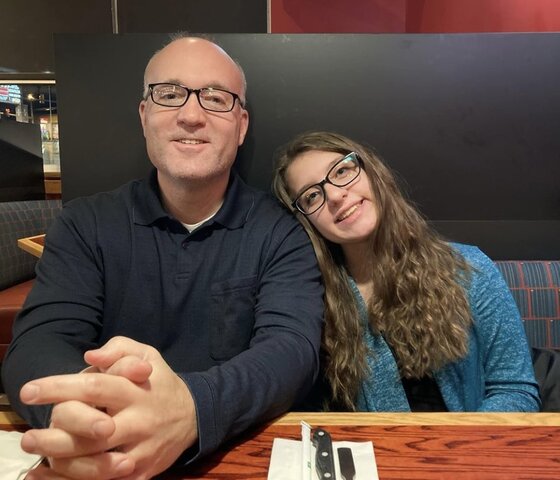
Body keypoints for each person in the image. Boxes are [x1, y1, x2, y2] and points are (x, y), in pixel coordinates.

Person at [1, 35, 324, 479]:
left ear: (241, 125)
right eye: (169, 94)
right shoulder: (84, 224)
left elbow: (292, 351)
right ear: (144, 115)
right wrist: (90, 421)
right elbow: (40, 341)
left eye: (216, 98)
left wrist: (192, 409)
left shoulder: (280, 231)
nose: (191, 115)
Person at [272, 130, 540, 413]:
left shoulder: (467, 268)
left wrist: (455, 441)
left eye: (341, 171)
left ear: (371, 171)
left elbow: (515, 391)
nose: (336, 195)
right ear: (306, 220)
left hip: (471, 439)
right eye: (312, 196)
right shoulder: (314, 302)